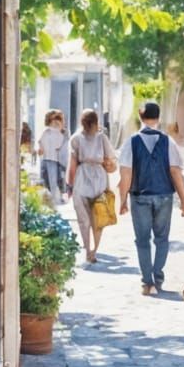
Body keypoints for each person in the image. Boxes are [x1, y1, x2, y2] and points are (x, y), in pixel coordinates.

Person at [117, 101, 184, 296]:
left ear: (140, 117)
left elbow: (126, 173)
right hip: (164, 196)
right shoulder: (168, 142)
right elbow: (175, 172)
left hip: (140, 196)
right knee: (162, 239)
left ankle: (147, 283)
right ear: (158, 118)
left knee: (142, 240)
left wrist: (122, 200)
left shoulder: (131, 142)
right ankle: (158, 277)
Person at [67, 109, 117, 265]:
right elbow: (111, 159)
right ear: (96, 122)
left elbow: (72, 164)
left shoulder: (76, 138)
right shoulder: (102, 138)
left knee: (84, 219)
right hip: (99, 176)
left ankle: (88, 249)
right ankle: (93, 251)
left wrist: (69, 185)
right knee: (98, 215)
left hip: (82, 176)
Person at [38, 111, 68, 204]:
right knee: (47, 179)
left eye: (57, 120)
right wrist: (41, 148)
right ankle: (50, 199)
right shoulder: (47, 131)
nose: (55, 123)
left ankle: (54, 199)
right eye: (54, 120)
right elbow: (40, 142)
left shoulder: (60, 133)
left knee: (55, 180)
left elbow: (59, 145)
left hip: (55, 159)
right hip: (47, 158)